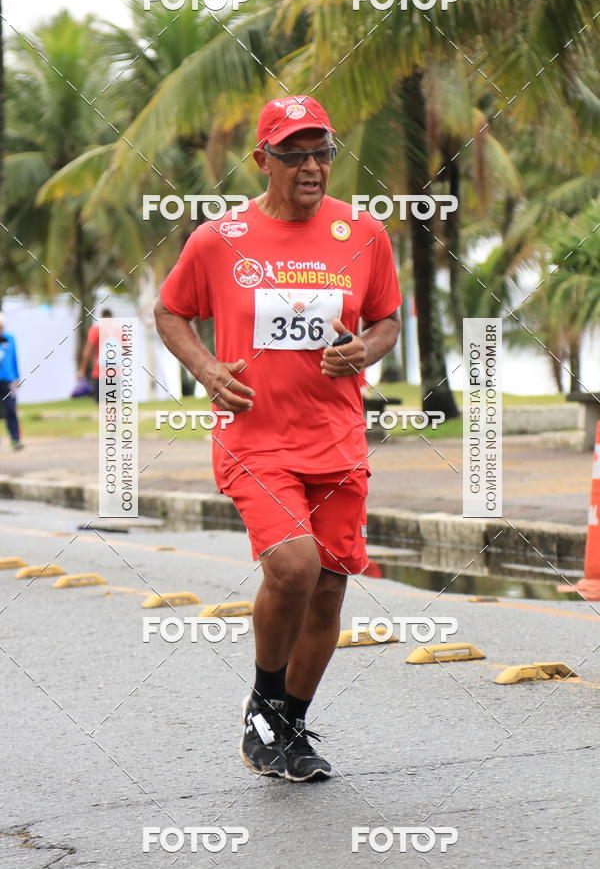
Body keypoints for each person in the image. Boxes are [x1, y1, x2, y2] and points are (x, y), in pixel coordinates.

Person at [154, 95, 401, 782]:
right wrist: (207, 369)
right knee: (293, 567)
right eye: (295, 154)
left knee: (328, 589)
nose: (312, 166)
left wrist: (366, 350)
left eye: (322, 152)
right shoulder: (219, 239)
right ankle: (262, 706)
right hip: (255, 437)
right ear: (263, 160)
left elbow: (386, 319)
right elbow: (170, 311)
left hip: (337, 438)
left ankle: (287, 725)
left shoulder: (363, 233)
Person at [0, 312, 24, 451]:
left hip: (8, 380)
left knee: (11, 409)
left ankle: (15, 439)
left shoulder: (10, 339)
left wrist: (17, 377)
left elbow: (14, 358)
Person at [78, 308, 113, 401]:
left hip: (100, 372)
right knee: (113, 402)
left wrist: (82, 369)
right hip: (115, 371)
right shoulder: (118, 330)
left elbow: (88, 350)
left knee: (101, 402)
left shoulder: (95, 330)